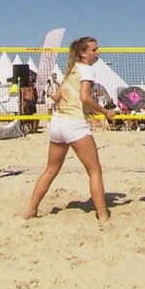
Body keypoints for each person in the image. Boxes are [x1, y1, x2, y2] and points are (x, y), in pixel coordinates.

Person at [23, 36, 115, 226]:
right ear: (83, 53)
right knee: (94, 171)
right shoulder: (87, 69)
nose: (98, 53)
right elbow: (85, 97)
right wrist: (105, 111)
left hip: (57, 124)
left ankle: (30, 210)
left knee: (50, 170)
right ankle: (103, 217)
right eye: (94, 50)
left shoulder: (71, 69)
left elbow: (57, 97)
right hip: (74, 124)